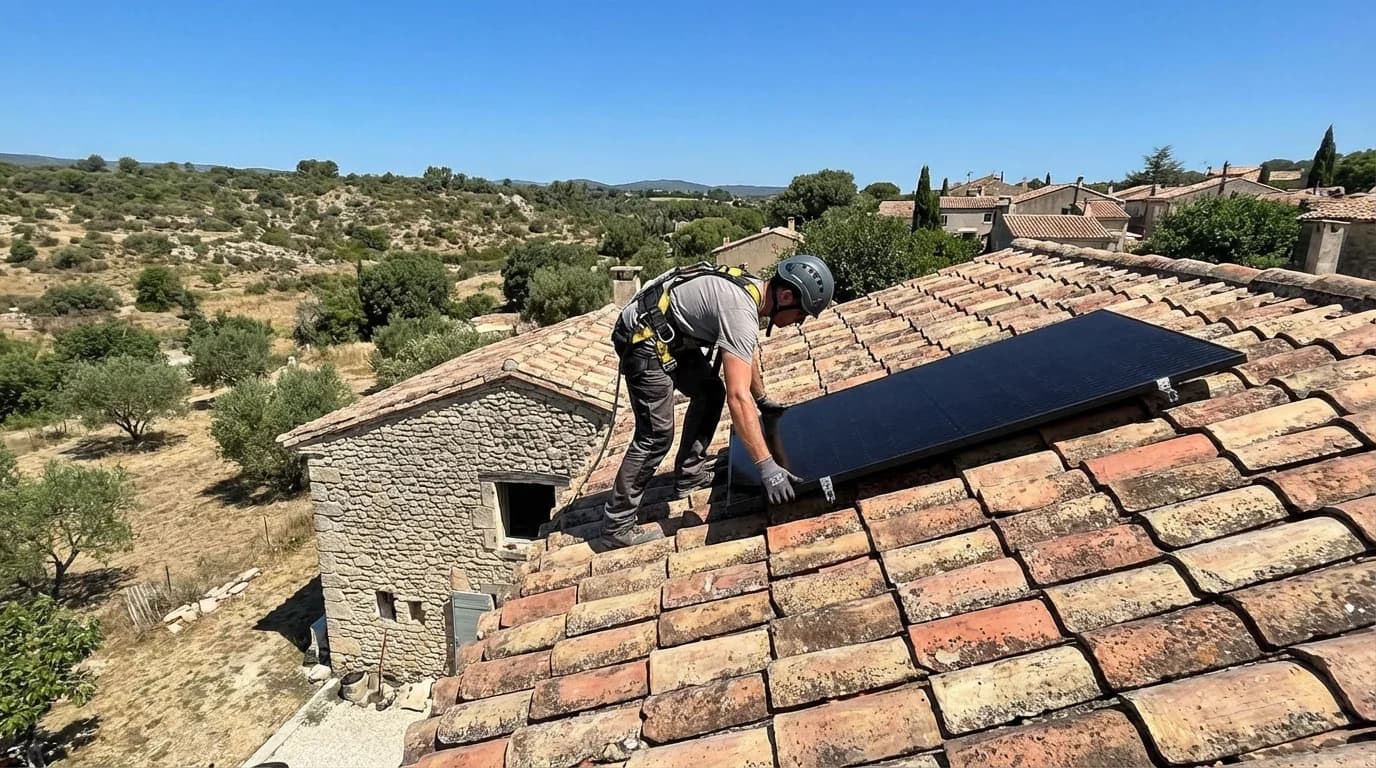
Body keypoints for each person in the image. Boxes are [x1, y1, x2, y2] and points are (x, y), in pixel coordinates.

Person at [600, 254, 836, 548]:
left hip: (669, 333)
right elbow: (738, 398)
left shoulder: (753, 292)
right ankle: (617, 525)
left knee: (711, 393)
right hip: (643, 338)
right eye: (801, 314)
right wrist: (767, 468)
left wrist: (762, 400)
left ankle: (689, 474)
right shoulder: (740, 310)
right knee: (656, 434)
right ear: (786, 295)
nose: (798, 322)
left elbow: (743, 353)